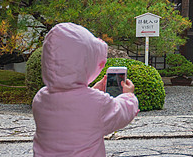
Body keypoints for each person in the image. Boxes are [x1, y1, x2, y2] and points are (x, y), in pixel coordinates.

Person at [32, 23, 139, 156]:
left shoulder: (40, 98)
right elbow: (120, 113)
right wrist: (129, 96)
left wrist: (93, 90)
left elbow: (74, 107)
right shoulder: (97, 103)